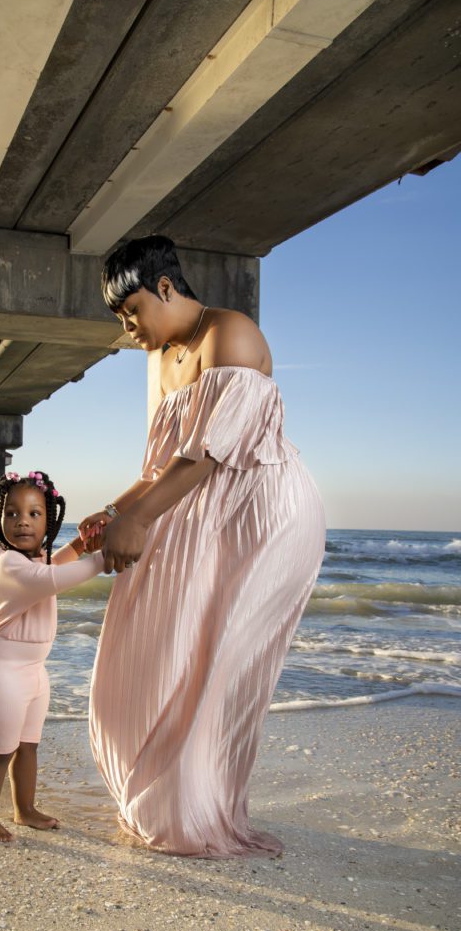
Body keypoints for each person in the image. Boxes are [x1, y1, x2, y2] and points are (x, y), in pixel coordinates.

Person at [80, 235, 325, 857]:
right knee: (166, 648)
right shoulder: (161, 361)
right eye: (118, 318)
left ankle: (199, 807)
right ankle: (173, 798)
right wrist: (112, 511)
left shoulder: (230, 333)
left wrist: (139, 522)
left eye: (130, 309)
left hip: (264, 515)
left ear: (166, 286)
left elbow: (209, 455)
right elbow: (160, 465)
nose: (127, 326)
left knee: (215, 660)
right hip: (203, 512)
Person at [0, 470, 103, 843]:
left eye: (34, 514)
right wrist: (103, 558)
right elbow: (52, 580)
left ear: (49, 519)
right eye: (11, 514)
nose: (22, 522)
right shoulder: (8, 564)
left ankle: (24, 809)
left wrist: (81, 547)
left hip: (34, 670)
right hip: (3, 671)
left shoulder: (37, 559)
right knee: (0, 749)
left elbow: (53, 566)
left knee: (28, 746)